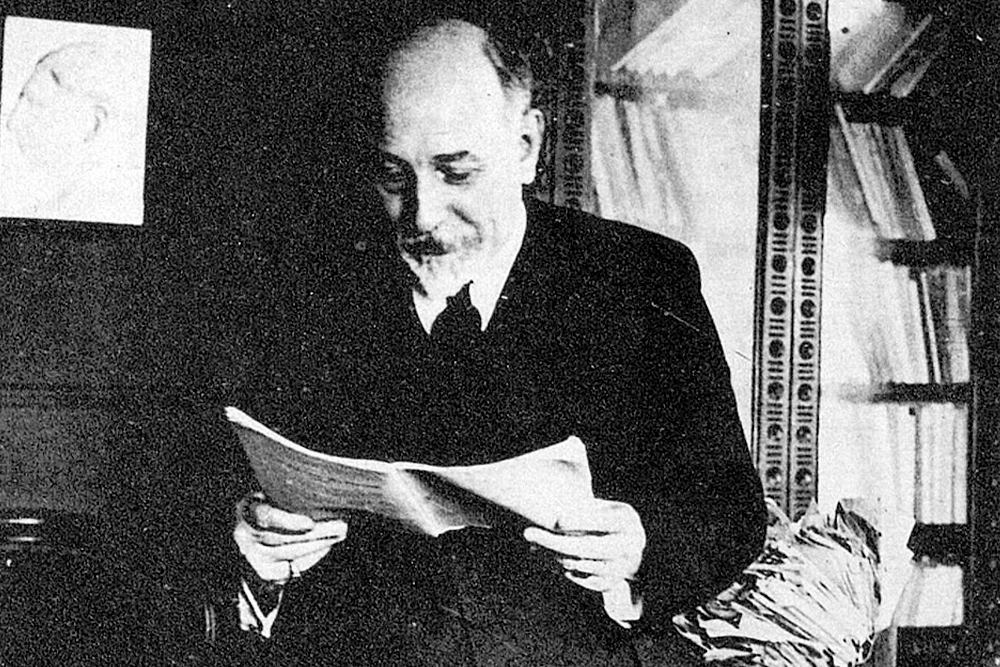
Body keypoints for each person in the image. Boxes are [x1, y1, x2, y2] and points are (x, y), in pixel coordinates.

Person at [225, 14, 766, 667]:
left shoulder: (639, 278)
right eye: (394, 176)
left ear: (526, 146)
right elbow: (214, 493)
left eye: (456, 173)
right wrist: (256, 549)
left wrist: (640, 545)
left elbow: (730, 508)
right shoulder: (310, 286)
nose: (422, 215)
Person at [0, 40, 145, 224]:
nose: (12, 122)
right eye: (22, 99)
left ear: (93, 125)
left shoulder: (112, 211)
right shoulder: (50, 209)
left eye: (35, 105)